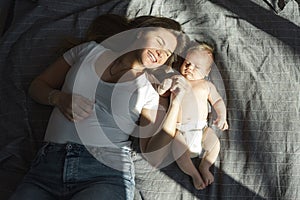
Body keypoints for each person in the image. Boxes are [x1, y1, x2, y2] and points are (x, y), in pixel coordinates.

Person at [9, 14, 187, 200]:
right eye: (160, 42)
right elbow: (37, 86)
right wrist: (58, 98)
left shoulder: (148, 90)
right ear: (139, 32)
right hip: (46, 170)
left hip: (105, 174)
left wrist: (176, 102)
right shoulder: (87, 52)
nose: (161, 54)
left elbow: (155, 156)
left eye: (167, 53)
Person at [156, 41, 229, 190]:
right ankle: (194, 173)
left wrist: (222, 116)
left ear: (207, 72)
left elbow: (218, 101)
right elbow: (162, 93)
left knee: (215, 144)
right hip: (179, 130)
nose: (189, 68)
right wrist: (163, 87)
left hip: (201, 129)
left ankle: (205, 167)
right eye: (187, 63)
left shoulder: (206, 85)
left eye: (197, 67)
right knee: (178, 150)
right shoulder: (176, 79)